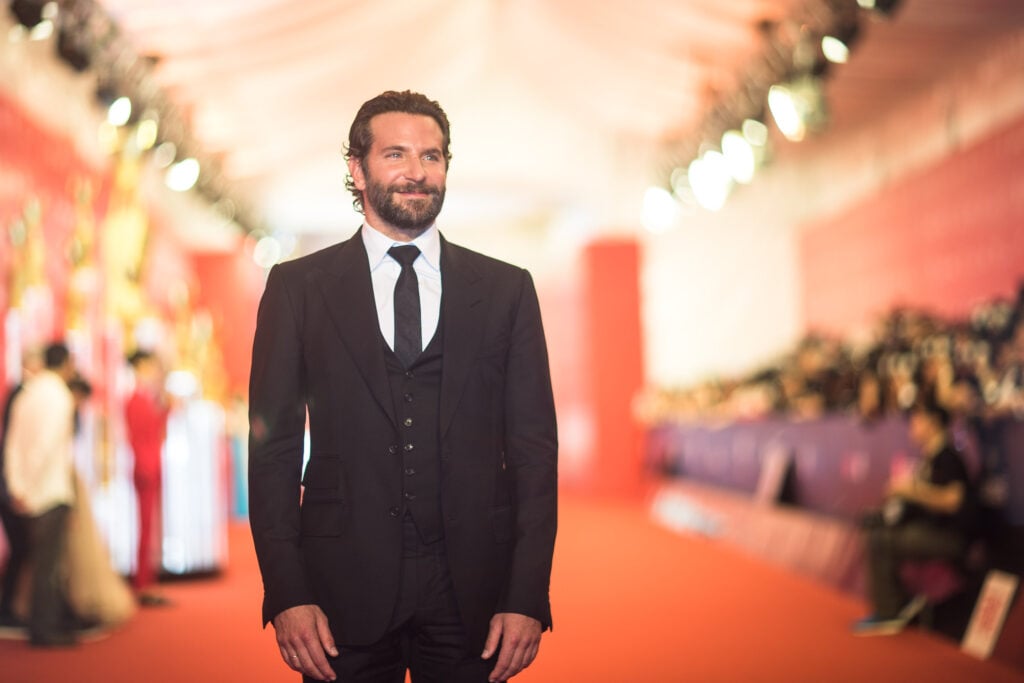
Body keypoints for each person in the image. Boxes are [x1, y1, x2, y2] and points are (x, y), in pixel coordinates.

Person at [248, 90, 558, 683]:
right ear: (357, 169)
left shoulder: (506, 290)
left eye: (433, 157)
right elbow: (274, 452)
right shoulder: (297, 288)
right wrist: (286, 593)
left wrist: (526, 595)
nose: (418, 172)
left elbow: (534, 452)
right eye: (396, 154)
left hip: (474, 590)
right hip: (340, 588)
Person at [854, 400, 977, 636]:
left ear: (932, 423)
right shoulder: (928, 459)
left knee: (882, 540)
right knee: (879, 532)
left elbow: (953, 500)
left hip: (950, 538)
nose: (911, 426)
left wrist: (911, 490)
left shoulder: (948, 456)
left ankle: (892, 609)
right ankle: (899, 603)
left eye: (917, 420)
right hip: (929, 531)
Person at [3, 341, 79, 647]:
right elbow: (45, 447)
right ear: (66, 364)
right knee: (48, 565)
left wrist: (17, 486)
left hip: (25, 491)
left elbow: (10, 444)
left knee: (38, 563)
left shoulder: (27, 393)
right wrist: (30, 485)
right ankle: (44, 628)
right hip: (50, 491)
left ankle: (44, 624)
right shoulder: (59, 396)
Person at [123, 349, 171, 607]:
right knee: (145, 528)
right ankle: (142, 583)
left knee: (150, 528)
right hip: (145, 468)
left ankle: (147, 580)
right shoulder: (135, 399)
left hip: (151, 466)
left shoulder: (147, 397)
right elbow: (139, 438)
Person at [0, 347, 43, 631]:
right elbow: (16, 447)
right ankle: (7, 609)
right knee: (20, 550)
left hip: (18, 483)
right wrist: (17, 487)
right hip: (14, 485)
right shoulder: (22, 395)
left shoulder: (29, 395)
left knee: (22, 550)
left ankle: (11, 607)